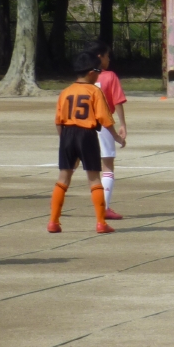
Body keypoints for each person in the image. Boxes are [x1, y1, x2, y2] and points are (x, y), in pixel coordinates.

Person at [48, 52, 126, 234]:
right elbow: (104, 118)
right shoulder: (94, 91)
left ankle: (53, 221)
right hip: (87, 134)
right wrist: (116, 136)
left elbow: (58, 120)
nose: (99, 75)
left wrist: (63, 139)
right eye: (98, 71)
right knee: (94, 178)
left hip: (67, 133)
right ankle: (101, 223)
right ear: (91, 73)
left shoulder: (65, 92)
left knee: (63, 178)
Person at [86, 41, 127, 220]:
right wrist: (122, 124)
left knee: (71, 166)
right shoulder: (110, 76)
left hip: (82, 124)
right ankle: (104, 207)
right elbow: (117, 101)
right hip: (103, 124)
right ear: (99, 57)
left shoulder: (84, 77)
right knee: (107, 165)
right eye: (107, 56)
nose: (109, 59)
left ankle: (58, 199)